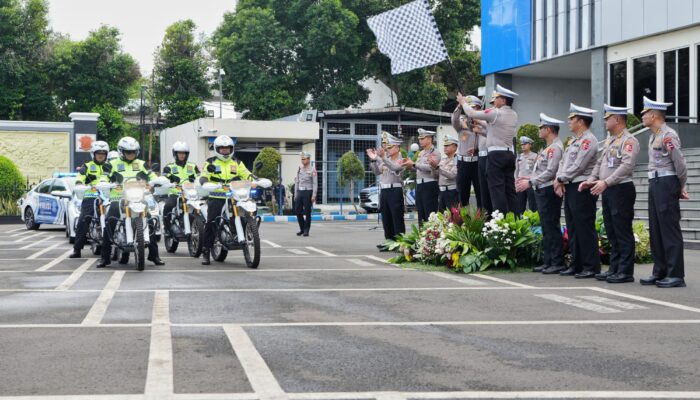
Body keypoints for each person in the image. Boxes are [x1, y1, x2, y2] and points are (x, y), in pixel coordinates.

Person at [579, 105, 640, 283]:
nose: (605, 121)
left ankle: (625, 271)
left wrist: (606, 181)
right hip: (608, 189)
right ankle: (614, 268)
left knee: (622, 231)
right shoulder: (610, 140)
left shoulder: (629, 141)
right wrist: (591, 179)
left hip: (621, 189)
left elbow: (626, 166)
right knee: (612, 232)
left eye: (608, 118)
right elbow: (599, 164)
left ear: (618, 120)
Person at [639, 97, 688, 288]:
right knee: (656, 229)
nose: (642, 116)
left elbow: (680, 164)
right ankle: (660, 270)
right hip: (655, 182)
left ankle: (675, 274)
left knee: (669, 229)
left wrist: (680, 186)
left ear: (653, 115)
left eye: (644, 113)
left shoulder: (668, 135)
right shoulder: (654, 135)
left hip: (667, 182)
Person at [98, 137, 164, 268]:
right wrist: (104, 183)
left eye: (133, 152)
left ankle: (154, 255)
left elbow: (152, 176)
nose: (131, 154)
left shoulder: (141, 164)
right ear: (121, 152)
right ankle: (105, 257)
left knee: (150, 221)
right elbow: (104, 176)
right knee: (110, 222)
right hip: (118, 198)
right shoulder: (112, 164)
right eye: (128, 152)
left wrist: (156, 181)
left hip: (138, 197)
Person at [554, 104, 600, 278]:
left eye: (572, 119)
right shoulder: (573, 141)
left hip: (582, 186)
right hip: (570, 185)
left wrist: (560, 179)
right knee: (572, 227)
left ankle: (591, 265)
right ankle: (577, 263)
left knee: (584, 227)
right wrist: (559, 178)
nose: (569, 121)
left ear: (581, 121)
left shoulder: (589, 140)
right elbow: (563, 163)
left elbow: (579, 165)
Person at [516, 114, 565, 274]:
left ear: (548, 130)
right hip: (542, 189)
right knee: (546, 227)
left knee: (551, 226)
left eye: (541, 128)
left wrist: (530, 182)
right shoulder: (548, 148)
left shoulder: (555, 148)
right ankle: (549, 261)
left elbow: (551, 171)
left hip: (549, 190)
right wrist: (529, 177)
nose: (539, 131)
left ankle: (557, 262)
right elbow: (542, 171)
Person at [458, 84, 518, 214]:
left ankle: (500, 221)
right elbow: (494, 128)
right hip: (508, 154)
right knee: (509, 190)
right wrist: (479, 124)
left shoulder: (495, 112)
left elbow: (471, 112)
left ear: (503, 100)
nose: (494, 101)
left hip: (496, 156)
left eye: (496, 98)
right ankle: (514, 219)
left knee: (496, 190)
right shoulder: (513, 114)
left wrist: (463, 102)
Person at [199, 135, 253, 265]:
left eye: (227, 148)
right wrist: (205, 182)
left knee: (245, 214)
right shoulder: (210, 162)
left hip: (234, 196)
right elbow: (204, 175)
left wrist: (254, 179)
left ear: (231, 149)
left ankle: (245, 234)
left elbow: (246, 174)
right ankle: (206, 250)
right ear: (217, 149)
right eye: (222, 148)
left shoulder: (237, 162)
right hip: (217, 196)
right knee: (211, 222)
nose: (225, 151)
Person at [69, 141, 111, 259]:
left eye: (103, 153)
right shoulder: (86, 166)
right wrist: (79, 183)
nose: (101, 155)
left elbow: (116, 178)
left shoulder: (110, 166)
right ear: (93, 154)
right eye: (98, 153)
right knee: (84, 219)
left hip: (108, 196)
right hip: (91, 195)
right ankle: (77, 249)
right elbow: (80, 177)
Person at [368, 133, 405, 250]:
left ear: (397, 147)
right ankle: (388, 241)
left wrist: (383, 157)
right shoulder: (386, 159)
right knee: (386, 217)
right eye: (386, 148)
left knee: (396, 217)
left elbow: (395, 168)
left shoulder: (401, 159)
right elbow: (377, 172)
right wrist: (373, 160)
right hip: (384, 190)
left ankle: (400, 242)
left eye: (389, 147)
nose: (387, 150)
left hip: (395, 189)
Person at [401, 128, 440, 225]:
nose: (420, 141)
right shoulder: (421, 153)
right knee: (421, 214)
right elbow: (417, 168)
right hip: (420, 185)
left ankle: (432, 236)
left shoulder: (435, 152)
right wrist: (409, 165)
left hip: (430, 184)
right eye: (420, 139)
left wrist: (414, 164)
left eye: (423, 138)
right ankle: (422, 236)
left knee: (430, 213)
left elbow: (430, 168)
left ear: (429, 139)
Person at [162, 141, 200, 236]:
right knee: (168, 206)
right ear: (175, 154)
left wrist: (197, 180)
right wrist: (171, 178)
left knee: (199, 207)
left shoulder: (193, 166)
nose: (182, 155)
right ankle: (167, 227)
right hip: (176, 193)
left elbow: (200, 177)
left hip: (190, 193)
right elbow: (164, 177)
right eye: (179, 153)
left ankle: (197, 225)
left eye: (184, 153)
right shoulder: (169, 167)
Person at [451, 97, 480, 207]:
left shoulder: (482, 124)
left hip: (477, 162)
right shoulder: (462, 125)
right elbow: (454, 120)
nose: (471, 111)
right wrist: (459, 105)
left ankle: (483, 219)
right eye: (469, 107)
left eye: (474, 108)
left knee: (480, 192)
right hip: (463, 163)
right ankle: (463, 220)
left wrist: (476, 149)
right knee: (463, 194)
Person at [294, 151, 317, 237]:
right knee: (297, 211)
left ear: (308, 159)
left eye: (304, 159)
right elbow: (297, 181)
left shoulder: (312, 170)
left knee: (307, 212)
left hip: (308, 192)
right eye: (301, 159)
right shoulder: (299, 168)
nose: (302, 161)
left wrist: (314, 195)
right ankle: (302, 228)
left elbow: (315, 183)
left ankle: (306, 230)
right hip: (300, 191)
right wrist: (296, 193)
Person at [515, 136, 538, 215]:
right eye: (522, 144)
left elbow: (537, 171)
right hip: (520, 184)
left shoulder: (535, 156)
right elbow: (516, 171)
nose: (523, 146)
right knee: (519, 206)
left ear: (530, 145)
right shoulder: (519, 156)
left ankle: (534, 224)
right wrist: (516, 182)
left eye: (525, 144)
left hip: (530, 183)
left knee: (533, 206)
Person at [436, 135, 459, 212]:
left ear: (455, 147)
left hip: (452, 192)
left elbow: (452, 175)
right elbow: (436, 175)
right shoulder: (443, 160)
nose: (445, 147)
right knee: (442, 218)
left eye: (448, 145)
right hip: (442, 192)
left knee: (453, 217)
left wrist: (438, 168)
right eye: (444, 146)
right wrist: (432, 167)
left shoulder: (457, 159)